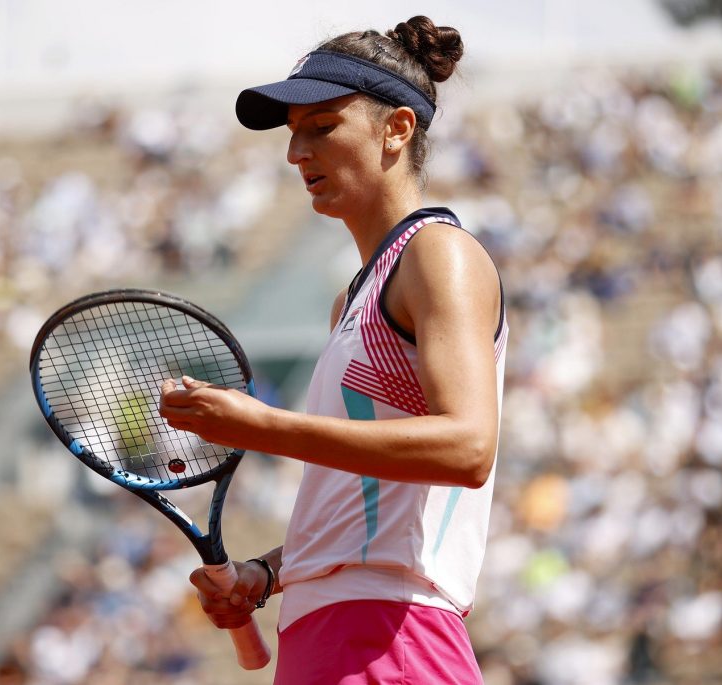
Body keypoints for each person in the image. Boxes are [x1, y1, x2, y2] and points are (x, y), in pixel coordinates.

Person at [159, 15, 507, 684]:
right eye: (294, 136)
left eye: (322, 128)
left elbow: (468, 448)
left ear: (397, 129)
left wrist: (261, 426)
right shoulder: (353, 298)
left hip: (391, 633)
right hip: (331, 632)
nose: (297, 154)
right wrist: (268, 573)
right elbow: (363, 505)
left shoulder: (439, 254)